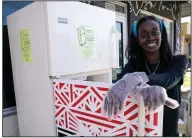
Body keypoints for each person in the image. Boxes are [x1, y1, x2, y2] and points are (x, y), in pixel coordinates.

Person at [118, 16, 188, 136]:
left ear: (161, 35)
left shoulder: (178, 61)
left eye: (155, 32)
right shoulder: (132, 66)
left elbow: (170, 79)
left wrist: (138, 79)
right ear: (138, 40)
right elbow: (122, 84)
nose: (150, 38)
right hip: (139, 132)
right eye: (144, 34)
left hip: (168, 133)